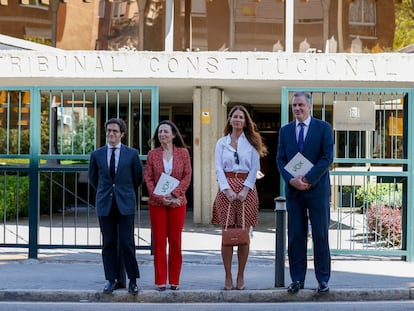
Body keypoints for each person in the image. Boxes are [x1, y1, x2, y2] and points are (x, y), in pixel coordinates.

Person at [276, 92, 334, 294]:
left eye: (301, 105)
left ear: (309, 106)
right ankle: (297, 279)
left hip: (317, 190)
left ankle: (323, 280)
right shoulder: (285, 131)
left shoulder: (323, 128)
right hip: (294, 191)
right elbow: (280, 160)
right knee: (296, 236)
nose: (297, 108)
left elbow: (327, 158)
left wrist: (308, 179)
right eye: (294, 105)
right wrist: (291, 180)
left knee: (320, 235)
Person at [212, 105, 267, 291]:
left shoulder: (251, 142)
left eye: (241, 117)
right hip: (226, 188)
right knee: (227, 234)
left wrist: (244, 190)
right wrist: (226, 189)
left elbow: (254, 168)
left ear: (245, 121)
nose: (237, 120)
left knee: (244, 235)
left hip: (247, 190)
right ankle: (227, 276)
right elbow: (218, 168)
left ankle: (240, 275)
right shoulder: (221, 143)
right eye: (234, 116)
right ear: (229, 119)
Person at [89, 118, 142, 295]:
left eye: (115, 131)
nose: (111, 134)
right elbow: (94, 178)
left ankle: (132, 280)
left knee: (127, 242)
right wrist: (108, 192)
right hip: (105, 203)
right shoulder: (96, 154)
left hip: (125, 203)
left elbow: (137, 178)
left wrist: (123, 192)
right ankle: (111, 279)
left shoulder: (132, 154)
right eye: (109, 131)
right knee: (108, 243)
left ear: (122, 134)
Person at [144, 120, 192, 291]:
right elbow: (148, 178)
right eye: (159, 132)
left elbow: (187, 176)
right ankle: (160, 281)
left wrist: (173, 195)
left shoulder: (183, 153)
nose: (162, 134)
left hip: (177, 202)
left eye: (165, 131)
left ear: (173, 135)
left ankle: (174, 280)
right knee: (158, 241)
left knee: (175, 241)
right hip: (157, 204)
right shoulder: (152, 154)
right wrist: (159, 197)